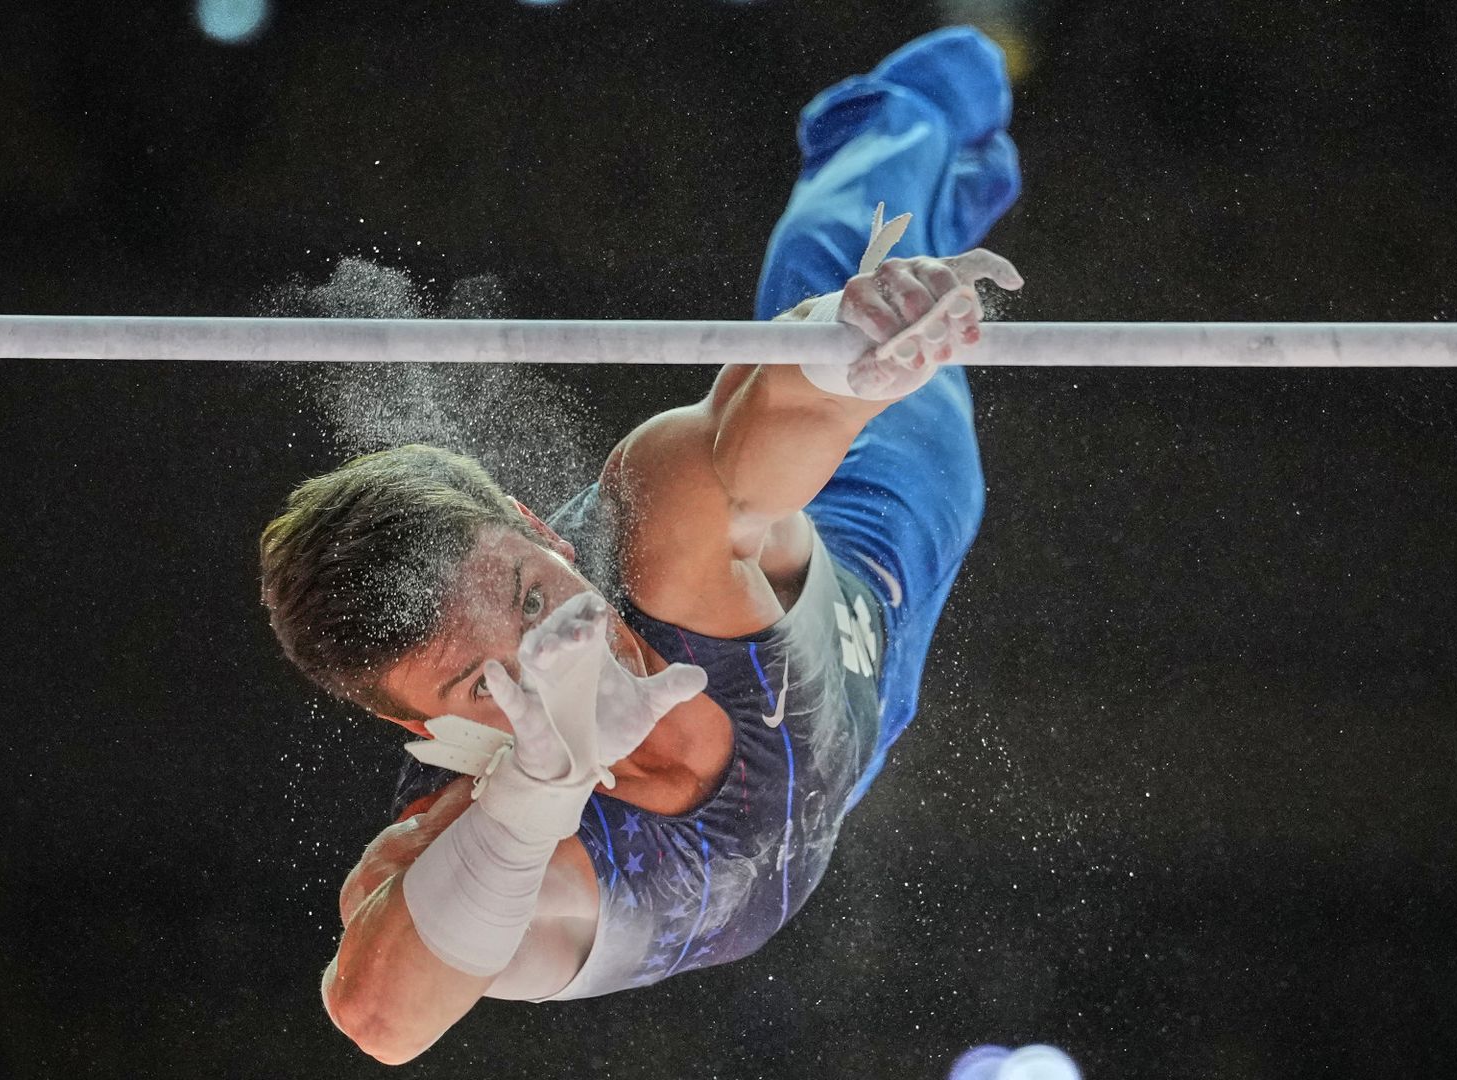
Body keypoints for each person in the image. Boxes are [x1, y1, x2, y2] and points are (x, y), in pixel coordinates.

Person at [258, 25, 1023, 1064]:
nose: (547, 653)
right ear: (416, 723)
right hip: (830, 740)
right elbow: (380, 1024)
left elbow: (744, 445)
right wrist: (537, 790)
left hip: (867, 544)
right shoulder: (458, 840)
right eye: (481, 684)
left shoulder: (647, 529)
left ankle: (902, 114)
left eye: (529, 597)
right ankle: (948, 192)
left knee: (843, 255)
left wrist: (844, 358)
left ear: (535, 527)